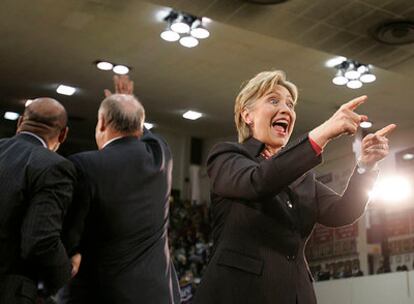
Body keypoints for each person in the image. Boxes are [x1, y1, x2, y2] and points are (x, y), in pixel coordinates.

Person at [194, 70, 396, 304]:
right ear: (247, 115)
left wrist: (365, 167)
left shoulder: (303, 177)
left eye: (290, 105)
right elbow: (258, 182)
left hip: (296, 294)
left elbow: (344, 211)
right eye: (273, 100)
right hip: (239, 292)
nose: (286, 109)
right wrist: (323, 133)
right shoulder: (227, 157)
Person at [60, 90, 180, 303]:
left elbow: (70, 235)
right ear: (139, 126)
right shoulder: (161, 155)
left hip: (104, 294)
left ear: (102, 123)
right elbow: (146, 132)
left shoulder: (84, 165)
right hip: (158, 295)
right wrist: (129, 105)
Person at [0, 98, 76, 303]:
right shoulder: (54, 166)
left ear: (20, 123)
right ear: (63, 134)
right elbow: (40, 241)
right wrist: (65, 273)